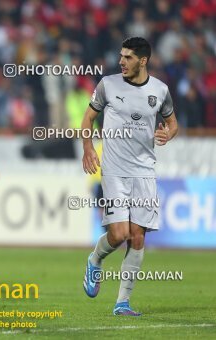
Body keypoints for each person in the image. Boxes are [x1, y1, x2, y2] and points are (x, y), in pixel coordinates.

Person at [81, 37, 178, 316]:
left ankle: (122, 302)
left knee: (137, 237)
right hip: (114, 170)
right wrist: (88, 148)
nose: (121, 62)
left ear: (143, 61)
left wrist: (167, 134)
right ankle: (95, 259)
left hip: (145, 172)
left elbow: (173, 124)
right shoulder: (108, 85)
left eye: (128, 57)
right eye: (120, 56)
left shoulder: (160, 90)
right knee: (119, 234)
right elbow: (88, 118)